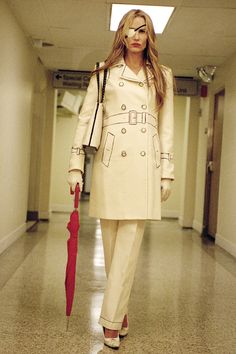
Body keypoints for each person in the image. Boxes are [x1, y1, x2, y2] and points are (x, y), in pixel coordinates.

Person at [67, 9, 174, 350]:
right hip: (111, 162)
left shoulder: (163, 75)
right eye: (130, 30)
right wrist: (75, 165)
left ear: (149, 36)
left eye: (142, 30)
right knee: (112, 247)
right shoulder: (103, 72)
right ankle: (121, 308)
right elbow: (85, 119)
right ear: (122, 35)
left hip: (144, 164)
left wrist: (167, 169)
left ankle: (110, 321)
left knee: (128, 248)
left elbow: (166, 125)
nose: (136, 36)